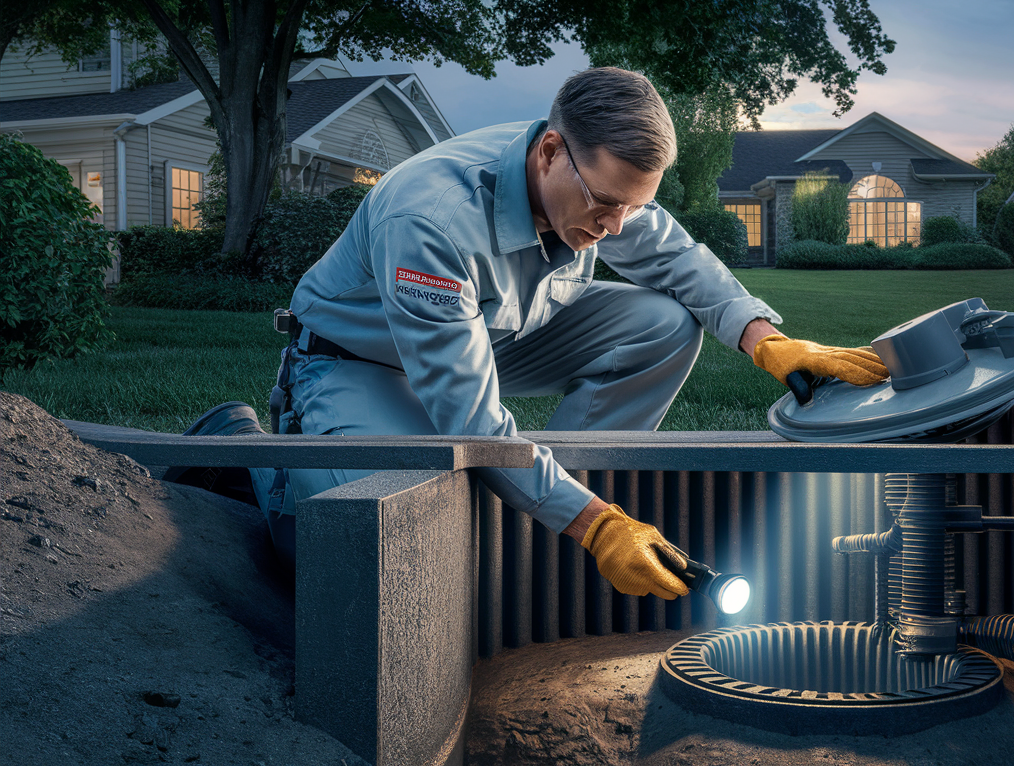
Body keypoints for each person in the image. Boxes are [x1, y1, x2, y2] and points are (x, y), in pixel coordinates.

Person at [179, 67, 888, 600]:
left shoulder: (593, 179)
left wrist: (766, 339)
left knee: (663, 323)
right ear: (550, 151)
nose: (615, 228)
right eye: (607, 205)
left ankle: (556, 502)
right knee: (359, 544)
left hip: (488, 336)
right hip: (363, 361)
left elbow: (675, 256)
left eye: (631, 209)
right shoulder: (431, 218)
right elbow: (469, 417)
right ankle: (249, 456)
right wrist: (596, 527)